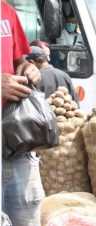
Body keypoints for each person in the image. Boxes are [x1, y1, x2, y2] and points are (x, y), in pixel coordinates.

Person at [1, 2, 44, 226]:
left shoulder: (6, 11)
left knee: (26, 215)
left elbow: (19, 60)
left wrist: (29, 67)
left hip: (15, 136)